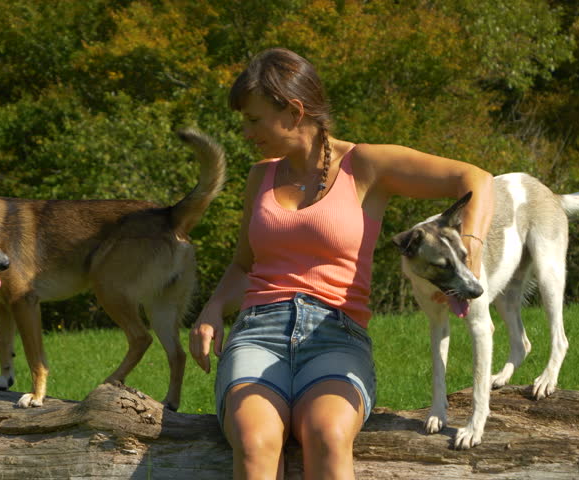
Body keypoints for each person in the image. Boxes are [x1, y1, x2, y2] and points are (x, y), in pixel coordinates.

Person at [189, 48, 494, 479]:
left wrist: (470, 257)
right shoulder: (261, 175)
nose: (245, 132)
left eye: (253, 120)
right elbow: (244, 265)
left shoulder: (365, 165)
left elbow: (476, 180)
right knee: (256, 442)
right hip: (257, 333)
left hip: (336, 335)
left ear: (294, 111)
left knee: (327, 434)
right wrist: (212, 310)